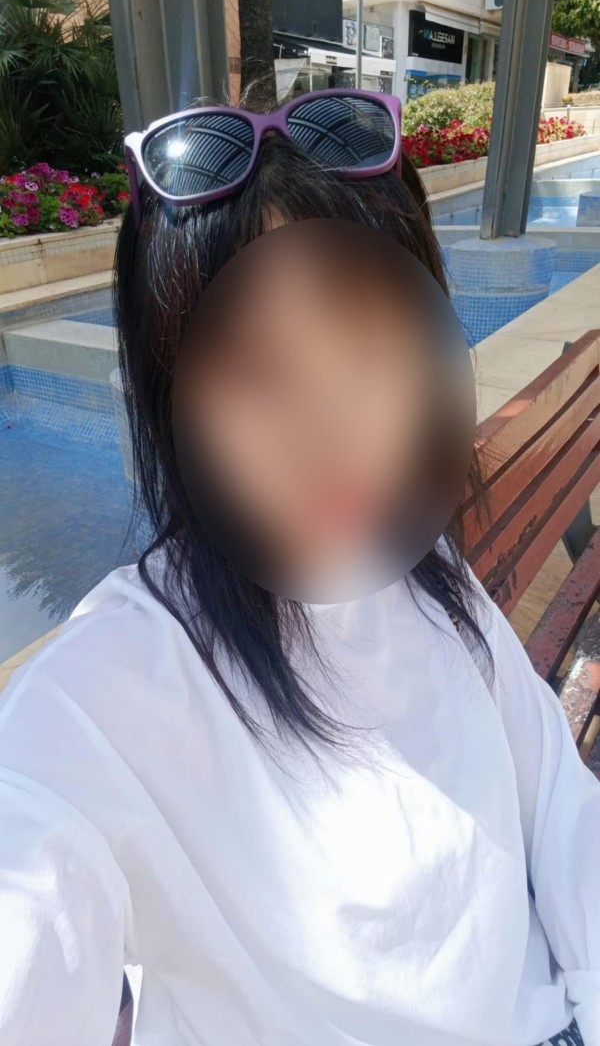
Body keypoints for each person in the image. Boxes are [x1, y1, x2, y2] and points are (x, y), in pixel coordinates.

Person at [0, 91, 598, 1046]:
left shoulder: (424, 572)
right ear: (171, 404)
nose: (330, 431)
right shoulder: (107, 693)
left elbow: (565, 815)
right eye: (257, 374)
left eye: (369, 350)